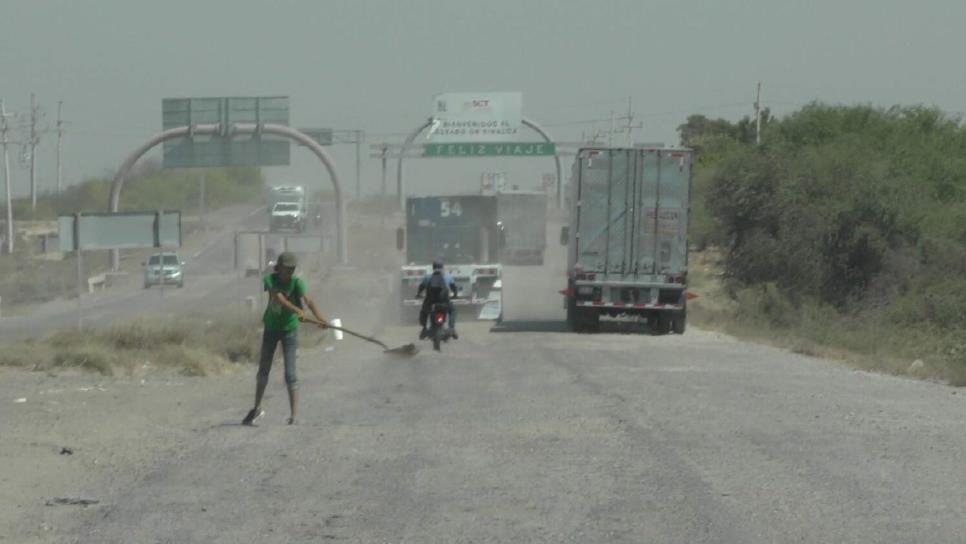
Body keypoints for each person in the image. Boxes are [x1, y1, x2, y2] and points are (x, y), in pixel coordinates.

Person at [242, 252, 328, 426]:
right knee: (263, 371)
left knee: (290, 374)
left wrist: (320, 319)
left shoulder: (297, 283)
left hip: (289, 331)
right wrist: (297, 311)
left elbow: (308, 300)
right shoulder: (270, 280)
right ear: (279, 268)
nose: (290, 272)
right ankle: (257, 407)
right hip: (271, 330)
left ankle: (294, 416)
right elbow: (278, 298)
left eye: (292, 269)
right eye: (287, 268)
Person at [417, 261, 459, 340]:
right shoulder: (448, 276)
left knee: (423, 312)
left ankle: (424, 328)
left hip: (430, 303)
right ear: (442, 268)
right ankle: (452, 328)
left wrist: (418, 294)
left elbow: (421, 287)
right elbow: (454, 288)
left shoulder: (427, 277)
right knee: (453, 311)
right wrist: (455, 295)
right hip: (444, 303)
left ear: (433, 268)